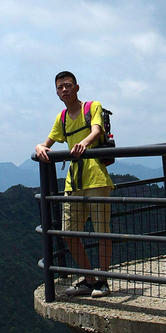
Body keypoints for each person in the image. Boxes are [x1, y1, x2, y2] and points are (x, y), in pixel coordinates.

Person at [35, 70, 113, 297]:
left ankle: (103, 281)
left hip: (96, 177)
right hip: (74, 181)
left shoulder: (92, 107)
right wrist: (40, 147)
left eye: (67, 85)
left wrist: (83, 143)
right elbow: (47, 142)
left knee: (102, 232)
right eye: (59, 87)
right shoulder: (61, 118)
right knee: (68, 232)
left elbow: (97, 130)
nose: (64, 90)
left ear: (77, 87)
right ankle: (89, 279)